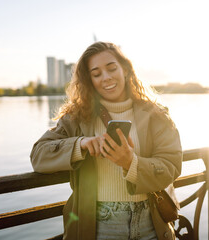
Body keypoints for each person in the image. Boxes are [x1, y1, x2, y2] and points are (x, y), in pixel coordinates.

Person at [30, 41, 182, 240]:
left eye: (111, 68)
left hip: (151, 222)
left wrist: (131, 163)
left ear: (125, 70)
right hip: (98, 225)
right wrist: (80, 144)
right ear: (89, 80)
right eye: (96, 73)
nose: (106, 77)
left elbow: (171, 166)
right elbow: (38, 155)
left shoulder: (156, 114)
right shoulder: (76, 117)